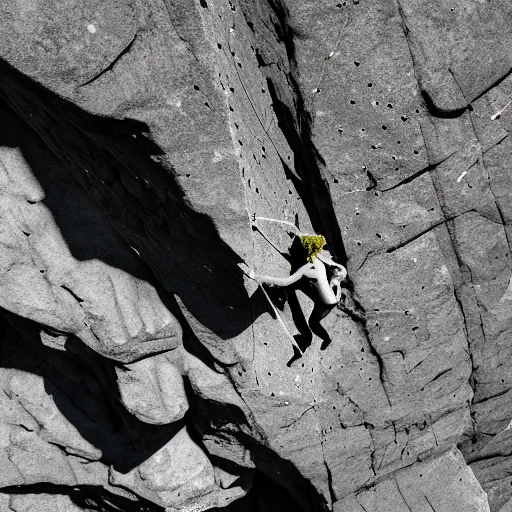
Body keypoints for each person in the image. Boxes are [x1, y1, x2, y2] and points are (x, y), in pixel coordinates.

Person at [247, 217, 347, 354]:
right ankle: (323, 338)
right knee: (298, 288)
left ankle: (311, 340)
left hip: (325, 302)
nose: (291, 247)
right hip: (330, 299)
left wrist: (259, 277)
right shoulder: (316, 259)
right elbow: (310, 246)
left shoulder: (310, 266)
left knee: (312, 322)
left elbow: (286, 281)